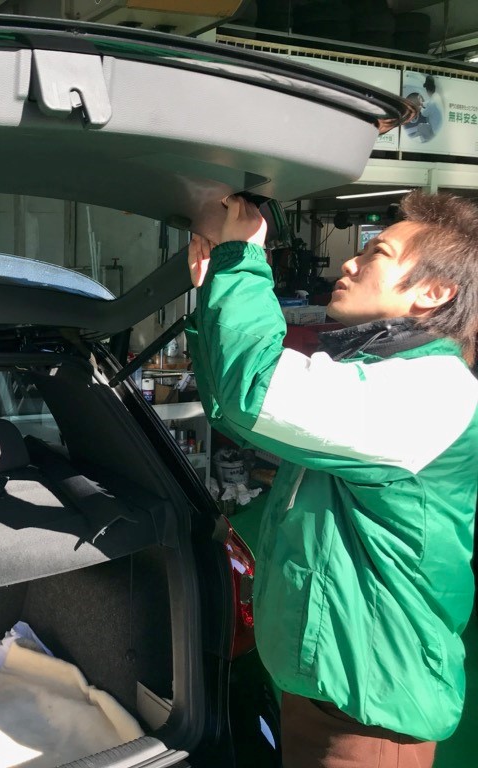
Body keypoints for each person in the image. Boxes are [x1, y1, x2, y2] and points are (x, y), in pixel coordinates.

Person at [185, 192, 478, 768]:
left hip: (370, 709)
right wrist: (217, 286)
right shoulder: (383, 374)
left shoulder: (432, 392)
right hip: (331, 685)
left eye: (376, 253)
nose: (349, 261)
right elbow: (232, 409)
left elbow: (255, 395)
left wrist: (242, 258)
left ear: (434, 292)